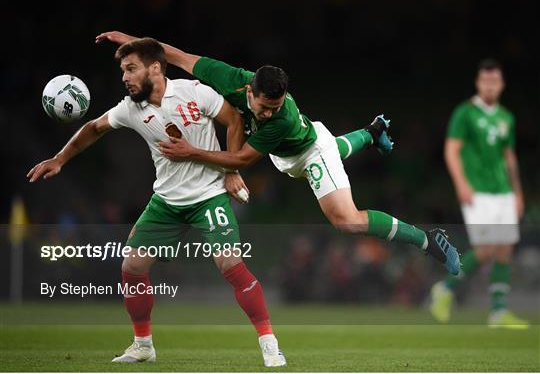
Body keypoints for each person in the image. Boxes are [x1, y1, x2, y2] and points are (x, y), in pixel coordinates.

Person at [96, 31, 461, 276]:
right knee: (322, 149)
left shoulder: (279, 120)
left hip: (310, 152)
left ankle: (427, 240)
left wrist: (191, 152)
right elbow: (175, 55)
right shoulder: (228, 77)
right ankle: (372, 132)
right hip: (291, 154)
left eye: (277, 106)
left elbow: (239, 162)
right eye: (265, 106)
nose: (269, 112)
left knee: (346, 219)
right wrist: (130, 42)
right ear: (250, 89)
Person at [27, 38, 287, 366]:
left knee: (231, 265)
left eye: (132, 68)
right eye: (123, 70)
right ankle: (143, 345)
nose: (125, 76)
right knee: (132, 267)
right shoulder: (130, 109)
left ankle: (269, 342)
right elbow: (93, 128)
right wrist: (60, 159)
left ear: (155, 68)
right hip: (166, 201)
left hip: (208, 196)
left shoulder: (195, 91)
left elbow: (234, 120)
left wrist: (231, 169)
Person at [430, 59, 529, 329]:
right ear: (478, 83)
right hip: (479, 191)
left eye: (494, 81)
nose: (490, 86)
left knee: (505, 248)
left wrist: (518, 193)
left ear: (502, 84)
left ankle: (498, 312)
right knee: (486, 249)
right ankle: (445, 288)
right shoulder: (465, 113)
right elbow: (451, 149)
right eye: (485, 81)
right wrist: (461, 183)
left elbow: (509, 157)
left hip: (504, 192)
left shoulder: (506, 117)